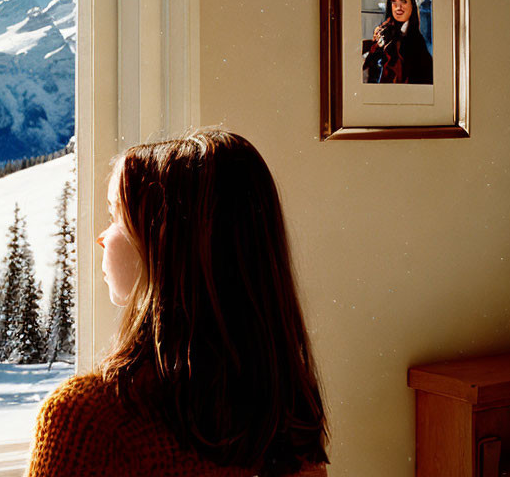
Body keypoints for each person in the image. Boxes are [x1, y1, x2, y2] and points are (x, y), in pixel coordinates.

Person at [25, 130, 329, 477]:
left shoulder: (90, 422)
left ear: (165, 245)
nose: (102, 237)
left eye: (117, 218)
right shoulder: (284, 414)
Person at [362, 0, 433, 84]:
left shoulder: (418, 43)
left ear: (412, 5)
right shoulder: (382, 32)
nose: (398, 7)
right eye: (394, 2)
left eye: (403, 1)